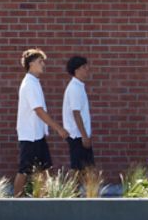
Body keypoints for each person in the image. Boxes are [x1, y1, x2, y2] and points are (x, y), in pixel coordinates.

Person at [13, 49, 69, 195]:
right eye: (40, 62)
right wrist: (58, 128)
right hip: (30, 136)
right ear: (31, 64)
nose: (43, 64)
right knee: (24, 170)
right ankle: (14, 202)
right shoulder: (29, 84)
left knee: (44, 170)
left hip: (38, 135)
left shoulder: (34, 82)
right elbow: (38, 110)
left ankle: (44, 201)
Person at [62, 55, 99, 197]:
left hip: (80, 135)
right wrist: (84, 136)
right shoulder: (74, 88)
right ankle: (71, 194)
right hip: (77, 136)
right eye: (84, 67)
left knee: (82, 168)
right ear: (77, 70)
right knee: (79, 168)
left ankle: (75, 194)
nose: (87, 69)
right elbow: (76, 113)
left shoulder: (78, 86)